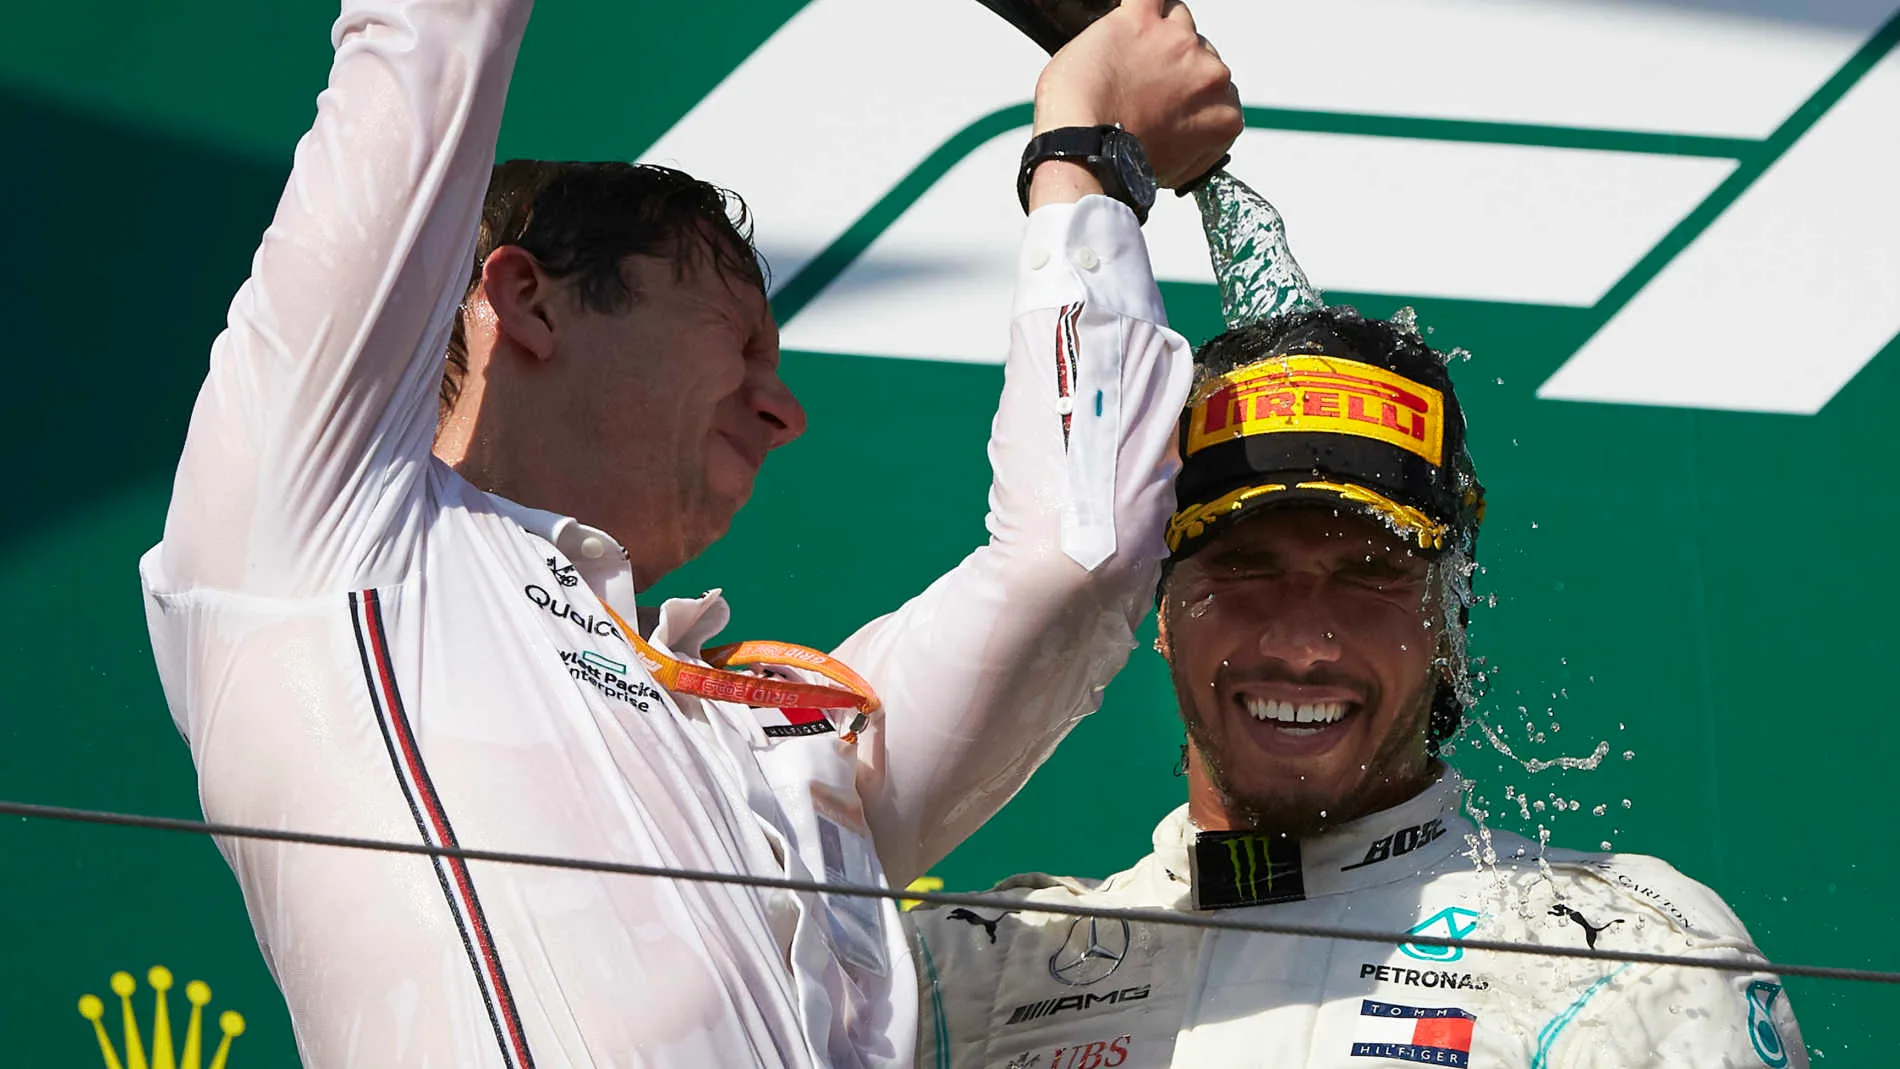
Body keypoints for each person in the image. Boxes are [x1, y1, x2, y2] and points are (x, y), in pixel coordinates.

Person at [137, 0, 1241, 1063]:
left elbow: (1080, 553)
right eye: (738, 337)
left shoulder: (775, 741)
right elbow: (437, 31)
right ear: (528, 300)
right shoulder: (314, 536)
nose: (784, 410)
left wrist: (1086, 161)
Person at [908, 307, 1808, 1069]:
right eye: (1244, 567)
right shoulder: (978, 973)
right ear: (1161, 607)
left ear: (1448, 619)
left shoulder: (1622, 959)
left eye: (1371, 575)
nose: (1302, 645)